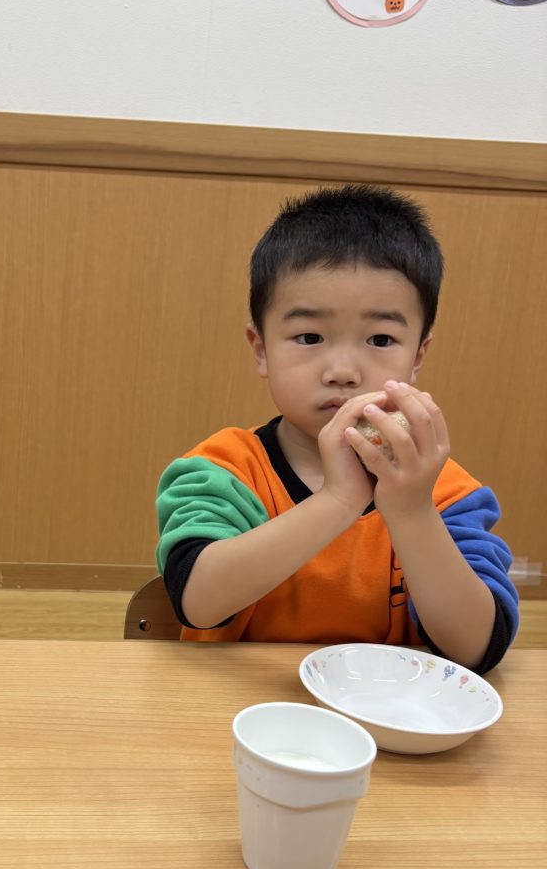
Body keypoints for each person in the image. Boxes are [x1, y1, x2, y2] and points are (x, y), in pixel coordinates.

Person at [155, 184, 518, 674]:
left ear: (418, 358)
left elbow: (476, 648)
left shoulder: (445, 491)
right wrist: (339, 500)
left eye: (381, 339)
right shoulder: (225, 469)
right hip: (240, 705)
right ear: (261, 350)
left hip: (392, 710)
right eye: (309, 336)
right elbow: (198, 603)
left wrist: (412, 511)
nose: (343, 371)